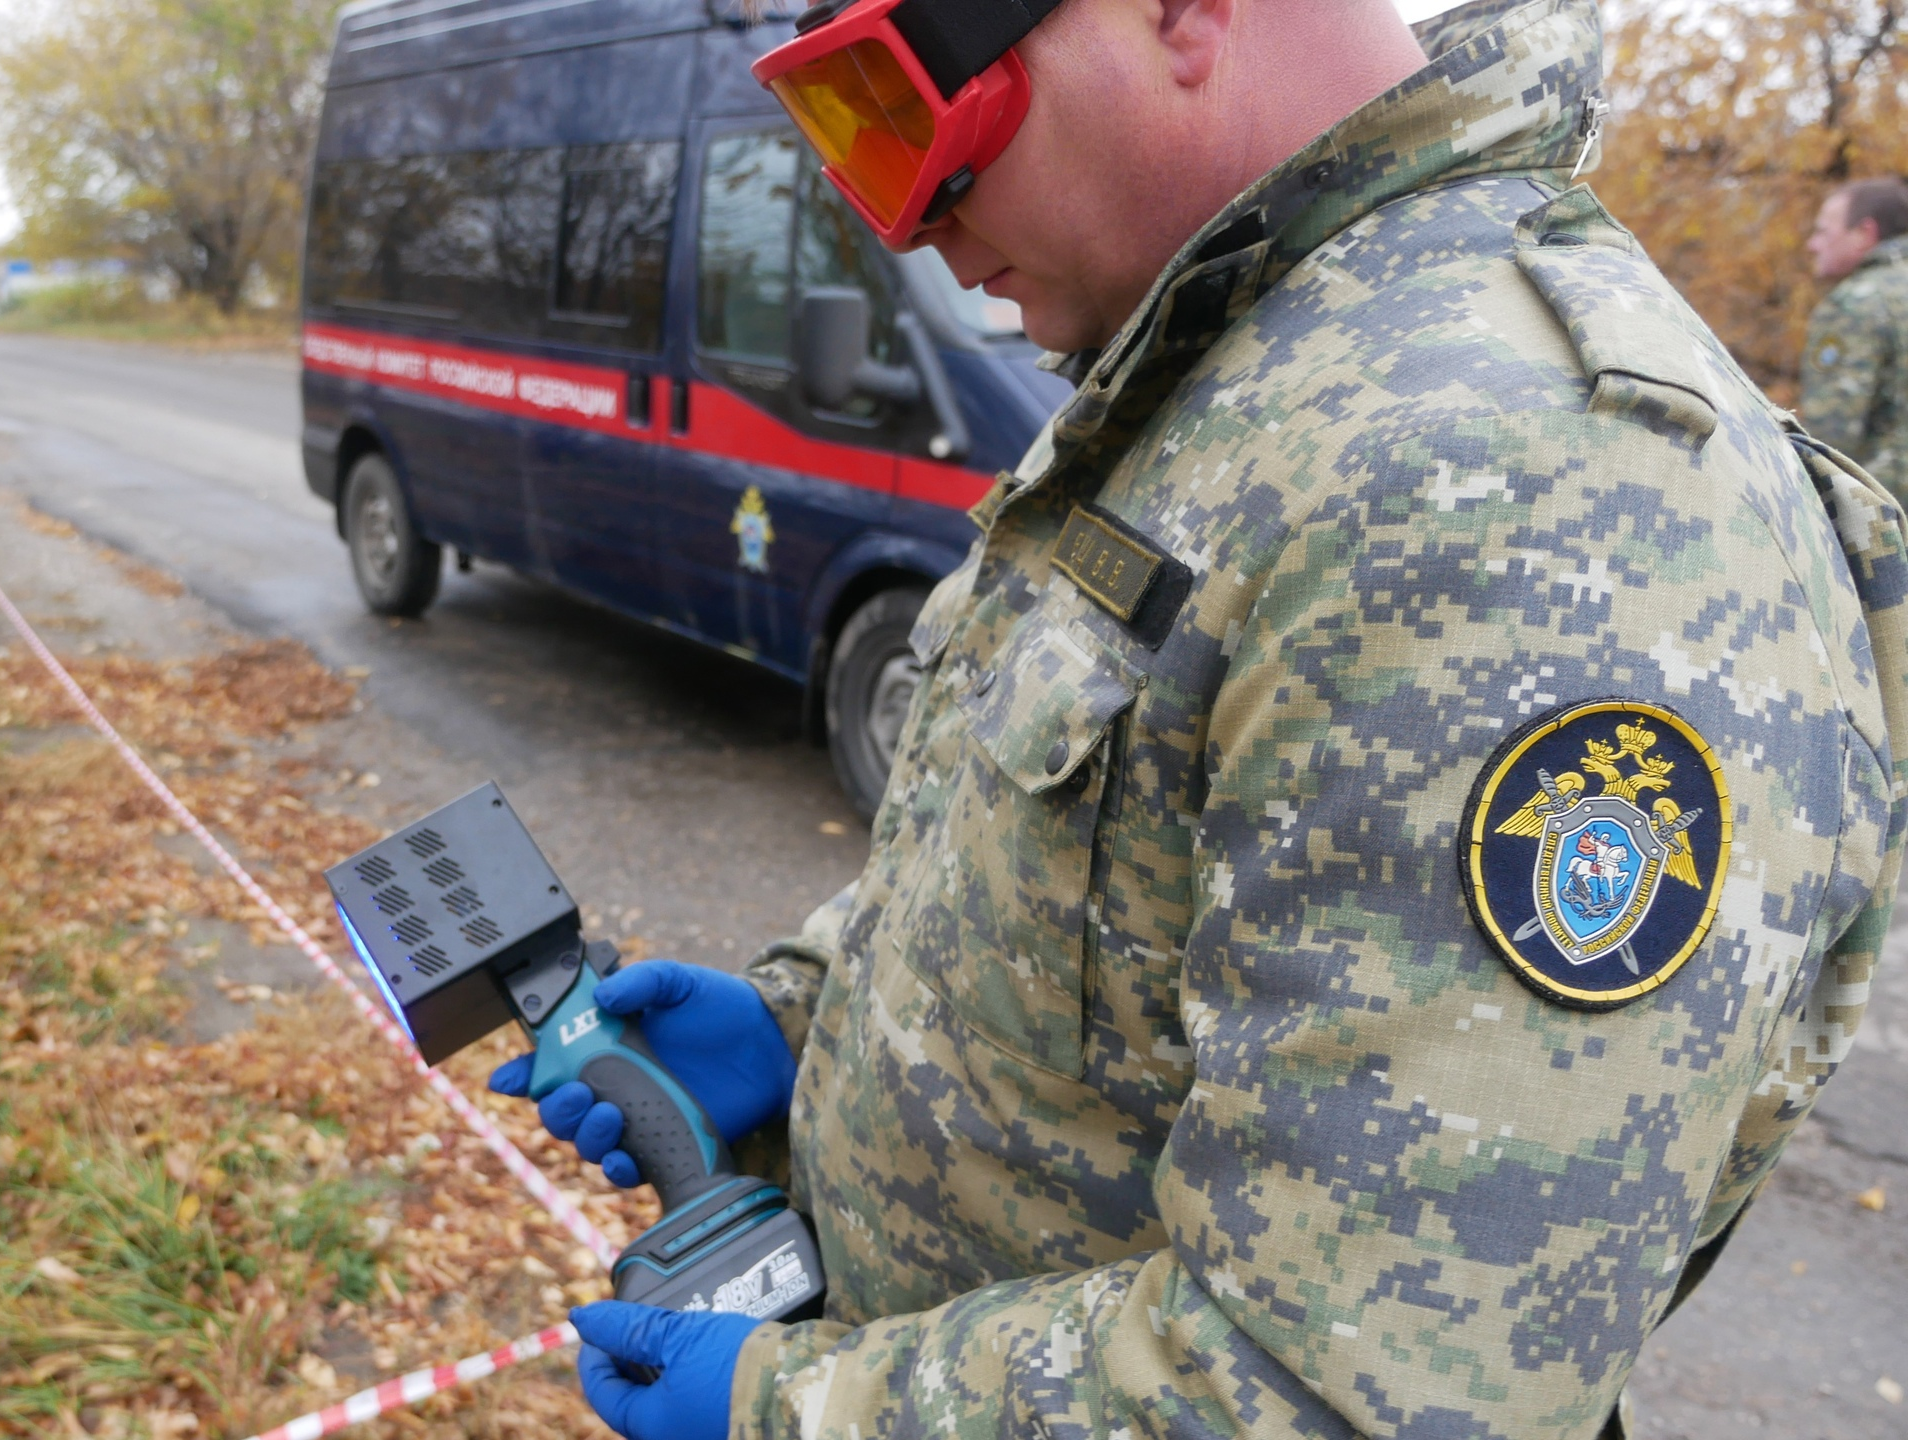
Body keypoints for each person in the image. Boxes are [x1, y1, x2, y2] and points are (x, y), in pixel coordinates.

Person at [492, 1, 1908, 1437]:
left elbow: (1351, 1389)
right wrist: (806, 1023)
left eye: (937, 127)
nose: (913, 228)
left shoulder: (1526, 486)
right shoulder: (1242, 348)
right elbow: (1094, 860)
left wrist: (788, 1413)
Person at [1802, 176, 1908, 507]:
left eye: (1823, 231)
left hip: (1889, 526)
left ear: (1864, 233)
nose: (1812, 244)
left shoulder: (1856, 304)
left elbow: (1829, 443)